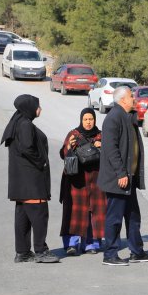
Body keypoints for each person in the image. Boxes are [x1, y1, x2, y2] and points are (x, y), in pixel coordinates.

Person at [98, 86, 148, 266]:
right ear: (122, 100)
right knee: (114, 218)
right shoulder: (113, 118)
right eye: (131, 96)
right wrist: (121, 173)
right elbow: (110, 148)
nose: (134, 99)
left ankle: (136, 251)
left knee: (133, 216)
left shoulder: (128, 117)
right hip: (119, 179)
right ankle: (110, 254)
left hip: (128, 179)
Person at [1, 94, 59, 263]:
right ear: (29, 108)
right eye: (37, 106)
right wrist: (41, 162)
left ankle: (23, 252)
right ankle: (41, 251)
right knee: (39, 213)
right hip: (31, 180)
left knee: (23, 216)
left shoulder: (18, 122)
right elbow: (27, 148)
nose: (40, 109)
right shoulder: (25, 124)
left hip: (21, 181)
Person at [58, 108, 105, 256]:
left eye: (91, 119)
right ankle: (71, 244)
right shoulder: (74, 134)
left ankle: (90, 243)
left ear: (95, 120)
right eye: (85, 119)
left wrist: (102, 146)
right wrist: (68, 147)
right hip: (76, 181)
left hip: (96, 181)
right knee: (74, 212)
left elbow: (111, 155)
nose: (88, 122)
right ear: (81, 120)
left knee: (94, 212)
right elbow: (63, 154)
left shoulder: (101, 136)